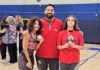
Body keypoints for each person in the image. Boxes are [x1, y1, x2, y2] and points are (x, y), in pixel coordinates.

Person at [36, 4, 63, 70]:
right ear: (44, 11)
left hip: (55, 55)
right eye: (48, 10)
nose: (50, 11)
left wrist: (78, 31)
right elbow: (32, 34)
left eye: (52, 10)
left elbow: (65, 35)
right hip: (40, 55)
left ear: (54, 12)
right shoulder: (39, 22)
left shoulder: (60, 23)